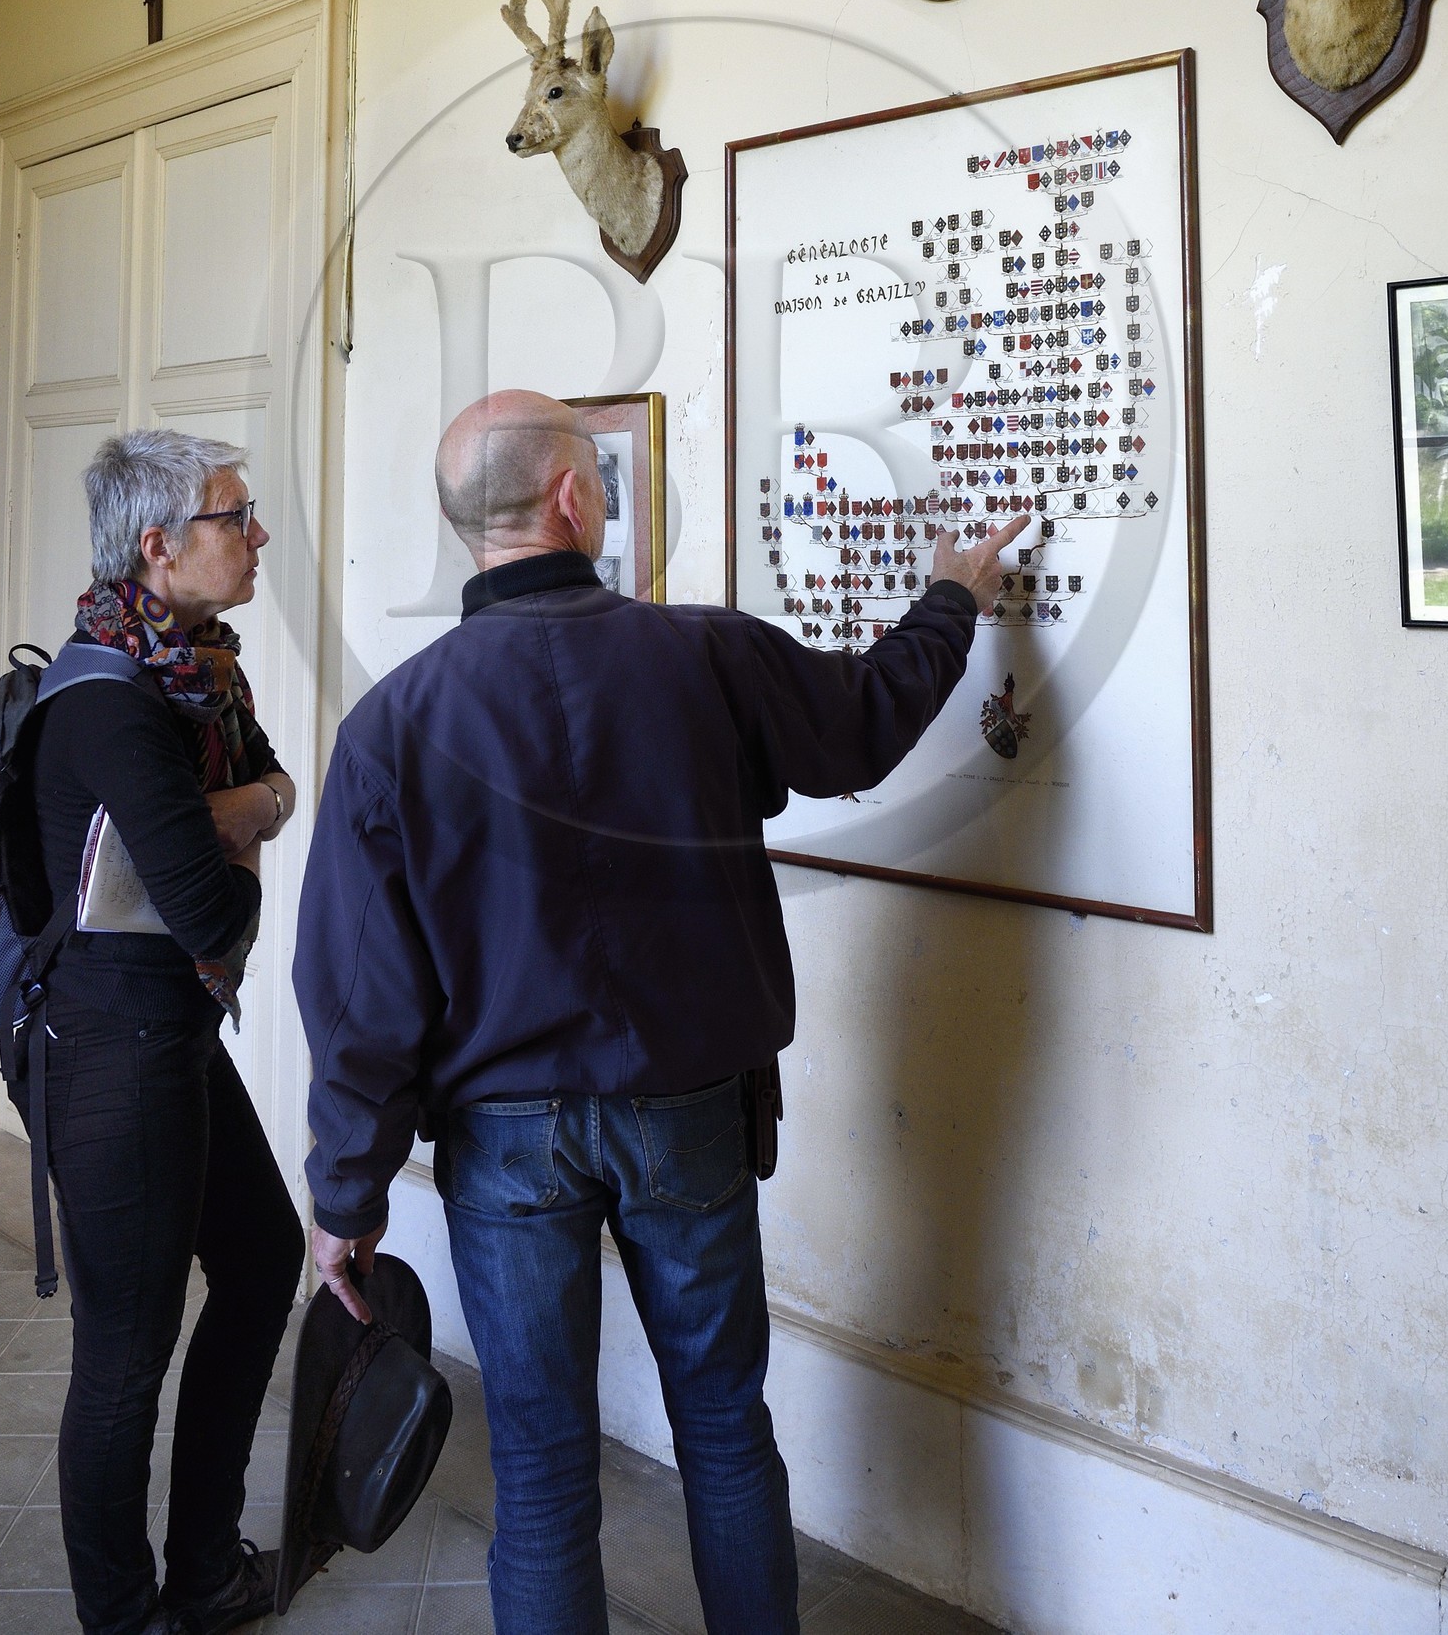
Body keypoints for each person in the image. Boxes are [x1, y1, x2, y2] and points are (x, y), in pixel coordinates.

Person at [292, 389, 1026, 1635]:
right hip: (687, 1112)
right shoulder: (705, 653)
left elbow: (361, 996)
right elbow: (858, 728)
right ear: (575, 501)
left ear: (471, 527)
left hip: (504, 1141)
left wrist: (345, 1196)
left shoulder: (391, 726)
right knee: (726, 1431)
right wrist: (951, 596)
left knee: (537, 1472)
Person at [21, 430, 306, 1635]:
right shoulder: (105, 700)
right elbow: (212, 902)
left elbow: (278, 785)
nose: (257, 537)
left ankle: (202, 1567)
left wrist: (231, 808)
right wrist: (238, 828)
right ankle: (124, 1614)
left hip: (170, 1031)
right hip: (105, 1052)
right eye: (236, 516)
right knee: (126, 1351)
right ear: (158, 545)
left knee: (260, 1259)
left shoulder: (202, 671)